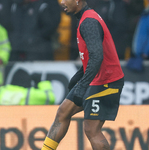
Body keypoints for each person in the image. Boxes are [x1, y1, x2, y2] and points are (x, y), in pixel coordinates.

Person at [41, 0, 124, 150]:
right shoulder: (86, 18)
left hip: (106, 80)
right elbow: (93, 55)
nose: (62, 2)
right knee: (62, 112)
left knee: (92, 130)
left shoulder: (89, 22)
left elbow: (97, 57)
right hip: (96, 78)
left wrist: (82, 85)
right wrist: (80, 76)